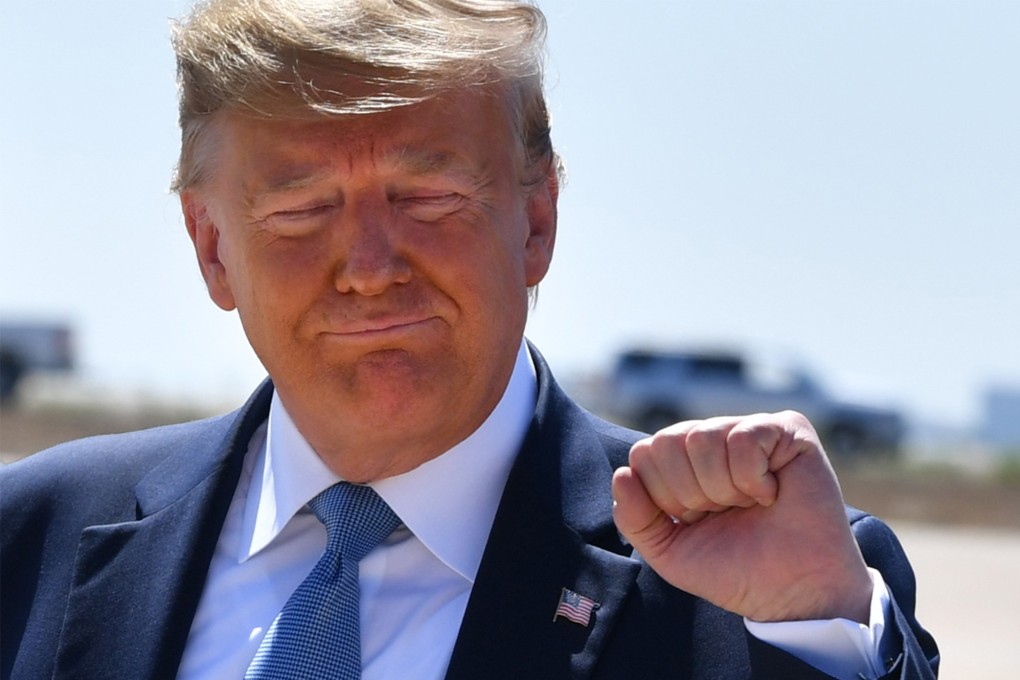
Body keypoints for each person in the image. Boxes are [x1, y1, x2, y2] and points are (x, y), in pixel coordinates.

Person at [0, 1, 938, 678]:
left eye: (429, 197)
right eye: (301, 209)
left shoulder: (765, 589)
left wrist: (821, 635)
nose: (368, 264)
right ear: (211, 248)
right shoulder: (30, 540)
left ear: (537, 220)